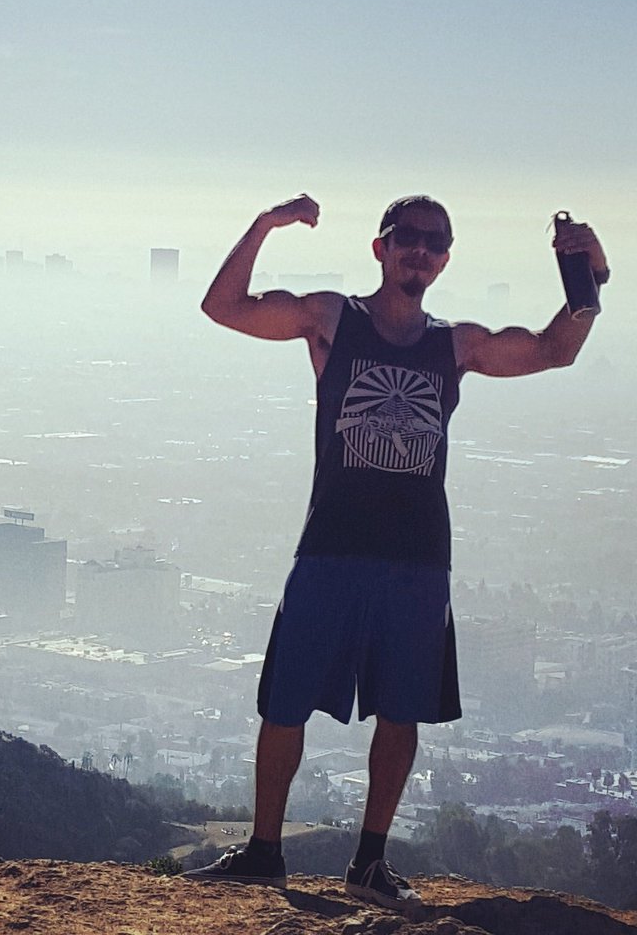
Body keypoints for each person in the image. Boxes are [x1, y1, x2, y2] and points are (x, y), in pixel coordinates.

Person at [185, 194, 608, 912]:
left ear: (445, 257)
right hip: (331, 545)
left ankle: (369, 864)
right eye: (406, 238)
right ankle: (264, 853)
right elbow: (223, 306)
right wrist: (266, 225)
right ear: (379, 247)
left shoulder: (456, 344)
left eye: (434, 241)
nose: (419, 250)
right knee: (285, 701)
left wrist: (584, 271)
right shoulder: (329, 319)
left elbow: (553, 350)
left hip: (416, 559)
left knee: (400, 710)